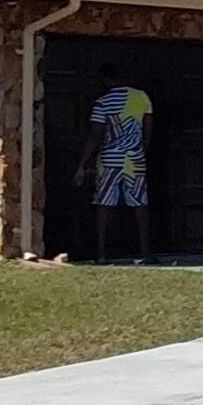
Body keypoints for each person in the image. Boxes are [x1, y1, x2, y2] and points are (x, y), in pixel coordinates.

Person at [84, 61, 153, 262]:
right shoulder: (142, 98)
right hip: (135, 159)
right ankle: (145, 251)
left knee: (105, 204)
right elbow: (148, 131)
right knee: (140, 204)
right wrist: (140, 151)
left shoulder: (102, 103)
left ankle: (101, 253)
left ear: (105, 80)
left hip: (109, 159)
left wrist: (83, 163)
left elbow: (95, 135)